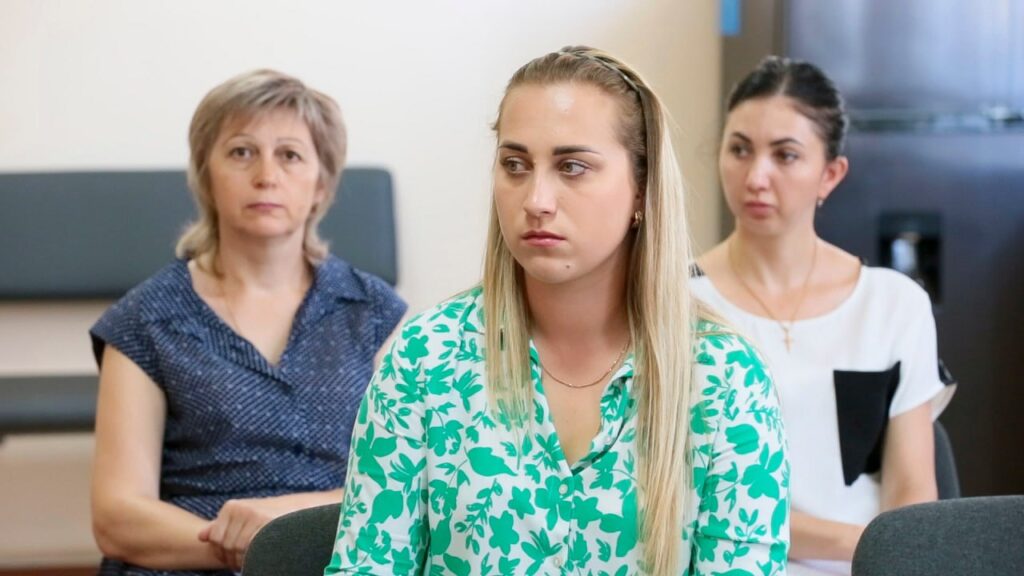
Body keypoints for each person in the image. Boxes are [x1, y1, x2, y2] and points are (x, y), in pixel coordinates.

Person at [324, 46, 789, 575]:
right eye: (515, 165)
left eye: (572, 167)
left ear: (641, 191)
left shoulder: (727, 379)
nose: (536, 200)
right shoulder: (425, 359)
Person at [89, 69, 407, 575]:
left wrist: (284, 527)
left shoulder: (376, 314)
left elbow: (406, 486)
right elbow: (118, 518)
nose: (266, 175)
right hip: (189, 562)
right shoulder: (144, 320)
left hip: (333, 559)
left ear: (321, 183)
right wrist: (242, 546)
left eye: (290, 155)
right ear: (206, 175)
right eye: (241, 152)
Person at [693, 56, 954, 575]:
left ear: (830, 175)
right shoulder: (677, 300)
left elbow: (912, 498)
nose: (756, 176)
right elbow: (688, 496)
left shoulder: (893, 305)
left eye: (785, 155)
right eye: (739, 149)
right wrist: (863, 542)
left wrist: (878, 552)